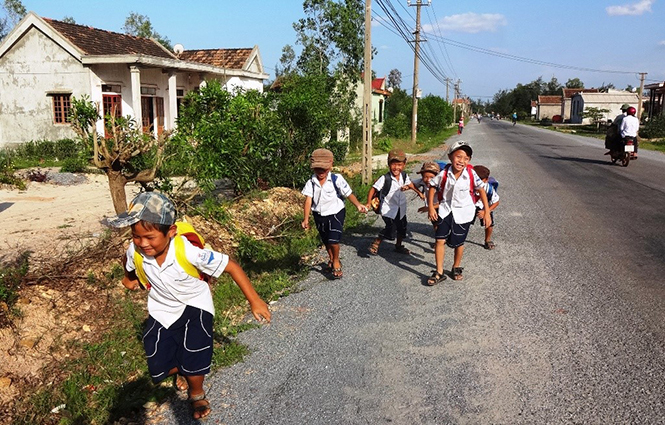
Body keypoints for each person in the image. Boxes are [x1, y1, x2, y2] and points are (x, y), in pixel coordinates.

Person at [109, 192, 271, 420]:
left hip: (195, 307)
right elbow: (129, 264)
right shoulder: (135, 250)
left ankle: (197, 392)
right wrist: (129, 279)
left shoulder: (188, 252)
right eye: (136, 236)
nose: (143, 243)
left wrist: (255, 300)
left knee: (194, 352)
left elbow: (231, 266)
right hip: (161, 310)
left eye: (150, 237)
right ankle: (185, 369)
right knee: (156, 361)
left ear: (171, 232)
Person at [426, 141, 491, 284]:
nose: (461, 161)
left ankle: (456, 266)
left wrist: (486, 212)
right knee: (439, 240)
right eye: (458, 157)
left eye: (466, 158)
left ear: (469, 161)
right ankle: (439, 272)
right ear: (450, 157)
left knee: (458, 242)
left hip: (464, 212)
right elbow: (432, 186)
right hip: (445, 210)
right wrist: (431, 207)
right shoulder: (444, 173)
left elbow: (481, 190)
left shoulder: (471, 174)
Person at [301, 148, 368, 279]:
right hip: (319, 215)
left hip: (336, 213)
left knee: (333, 240)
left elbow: (348, 193)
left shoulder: (337, 179)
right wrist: (306, 219)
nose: (320, 172)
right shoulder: (311, 182)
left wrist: (358, 205)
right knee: (326, 241)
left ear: (331, 165)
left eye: (324, 169)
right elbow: (308, 201)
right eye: (317, 169)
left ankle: (336, 260)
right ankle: (331, 259)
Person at [366, 149, 413, 256]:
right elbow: (373, 189)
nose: (396, 167)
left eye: (399, 164)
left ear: (404, 164)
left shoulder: (404, 176)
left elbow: (410, 184)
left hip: (401, 208)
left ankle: (398, 246)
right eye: (393, 164)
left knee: (402, 227)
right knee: (391, 227)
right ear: (388, 164)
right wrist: (368, 203)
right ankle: (376, 242)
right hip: (388, 208)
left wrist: (419, 193)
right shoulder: (385, 178)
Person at [472, 165, 500, 250]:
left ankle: (487, 240)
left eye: (482, 182)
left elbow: (496, 202)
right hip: (470, 205)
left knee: (489, 224)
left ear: (487, 180)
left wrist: (486, 212)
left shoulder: (489, 189)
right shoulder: (468, 186)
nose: (478, 185)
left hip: (485, 206)